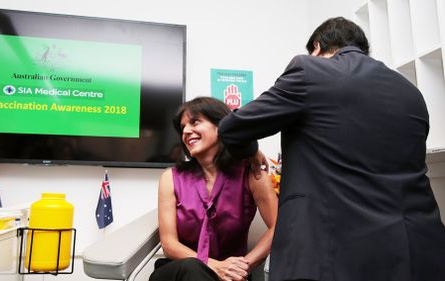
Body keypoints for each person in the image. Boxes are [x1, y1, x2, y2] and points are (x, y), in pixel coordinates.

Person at [218, 17, 445, 281]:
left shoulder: (309, 70)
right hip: (417, 250)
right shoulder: (411, 93)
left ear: (317, 46)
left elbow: (232, 128)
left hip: (332, 252)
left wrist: (250, 151)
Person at [149, 97, 278, 281]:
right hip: (179, 271)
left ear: (221, 126)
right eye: (183, 127)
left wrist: (242, 267)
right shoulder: (171, 178)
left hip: (232, 276)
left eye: (195, 122)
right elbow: (169, 244)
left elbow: (278, 226)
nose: (186, 131)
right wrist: (215, 266)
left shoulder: (252, 174)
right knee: (194, 268)